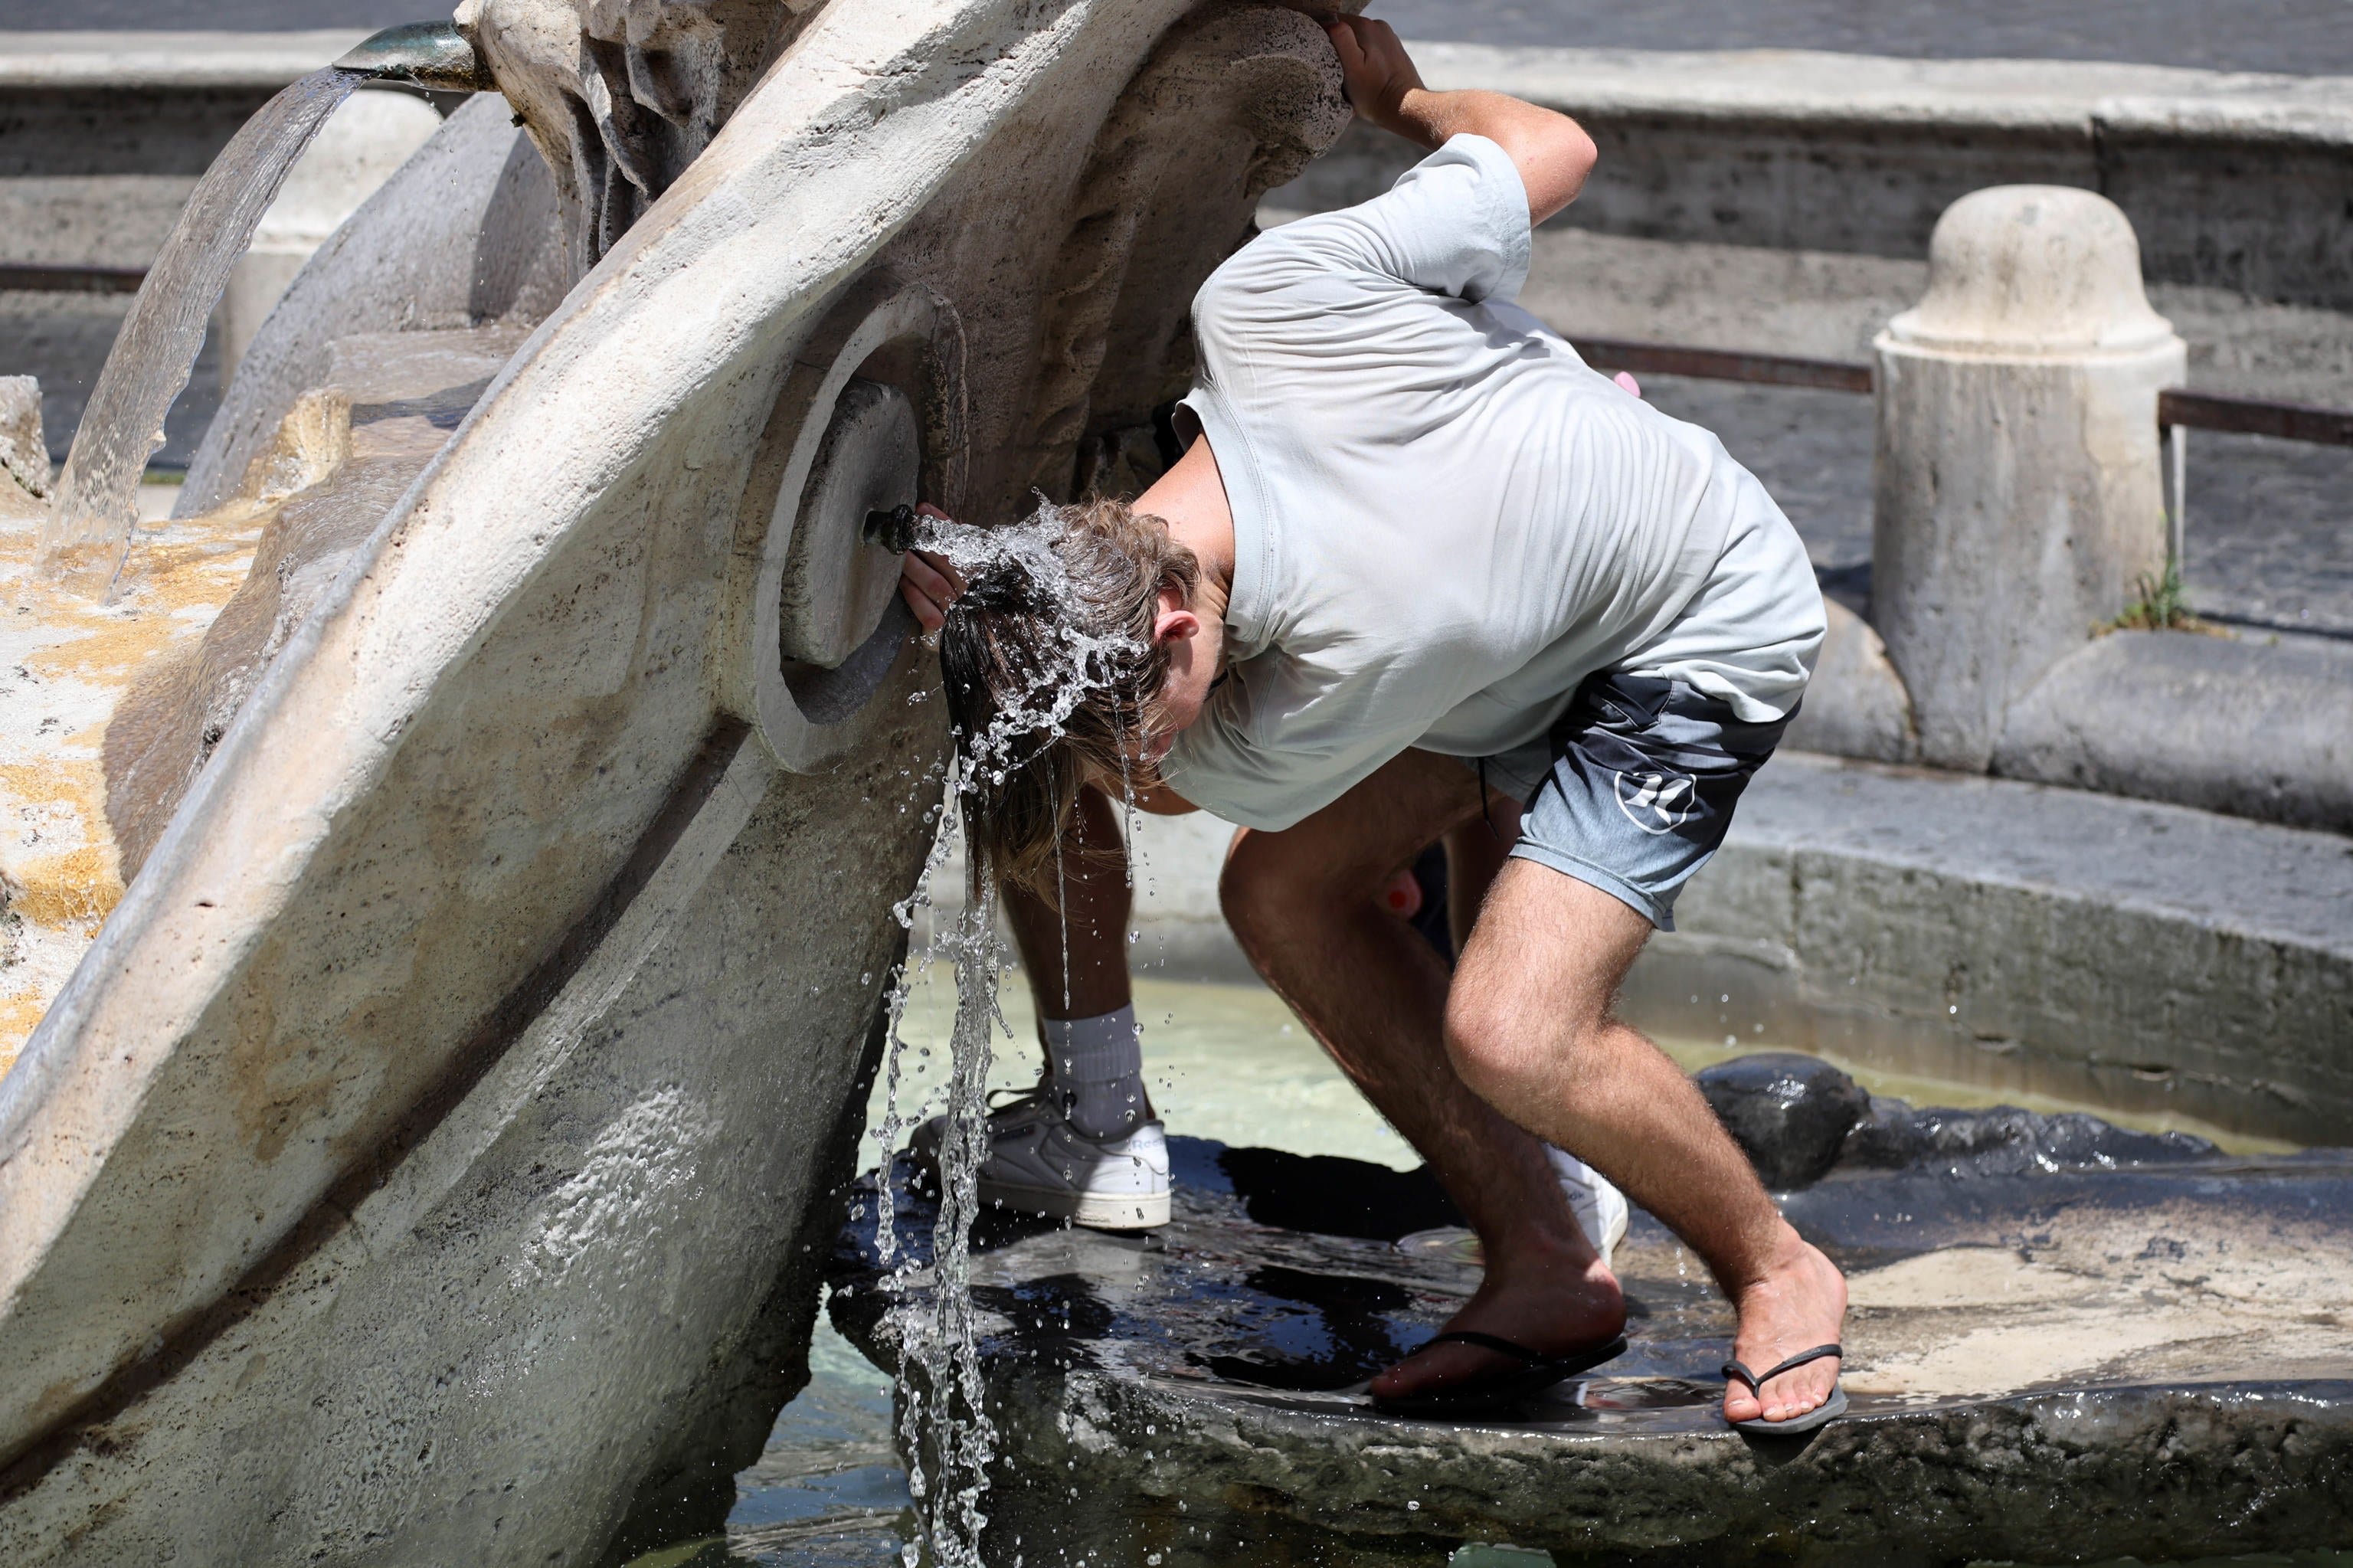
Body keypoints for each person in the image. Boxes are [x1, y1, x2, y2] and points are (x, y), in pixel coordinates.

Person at [900, 15, 1844, 1432]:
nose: (1138, 770)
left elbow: (1173, 790)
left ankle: (1778, 1270)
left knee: (1516, 1030)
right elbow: (1548, 148)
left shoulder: (1338, 665)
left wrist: (1139, 752)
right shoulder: (1270, 302)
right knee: (1286, 891)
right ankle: (1544, 1257)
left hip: (1694, 620)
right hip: (1537, 602)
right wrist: (1401, 100)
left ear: (1171, 631)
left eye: (1136, 731)